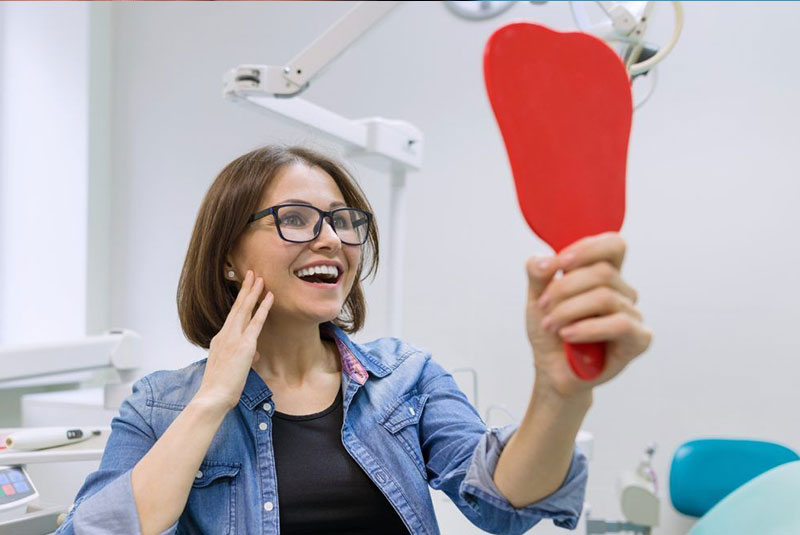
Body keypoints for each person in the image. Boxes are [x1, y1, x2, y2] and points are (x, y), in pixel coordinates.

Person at [55, 145, 651, 535]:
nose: (330, 239)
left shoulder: (405, 378)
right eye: (294, 218)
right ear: (229, 256)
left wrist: (559, 393)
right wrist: (214, 396)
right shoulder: (160, 406)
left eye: (343, 221)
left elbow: (501, 503)